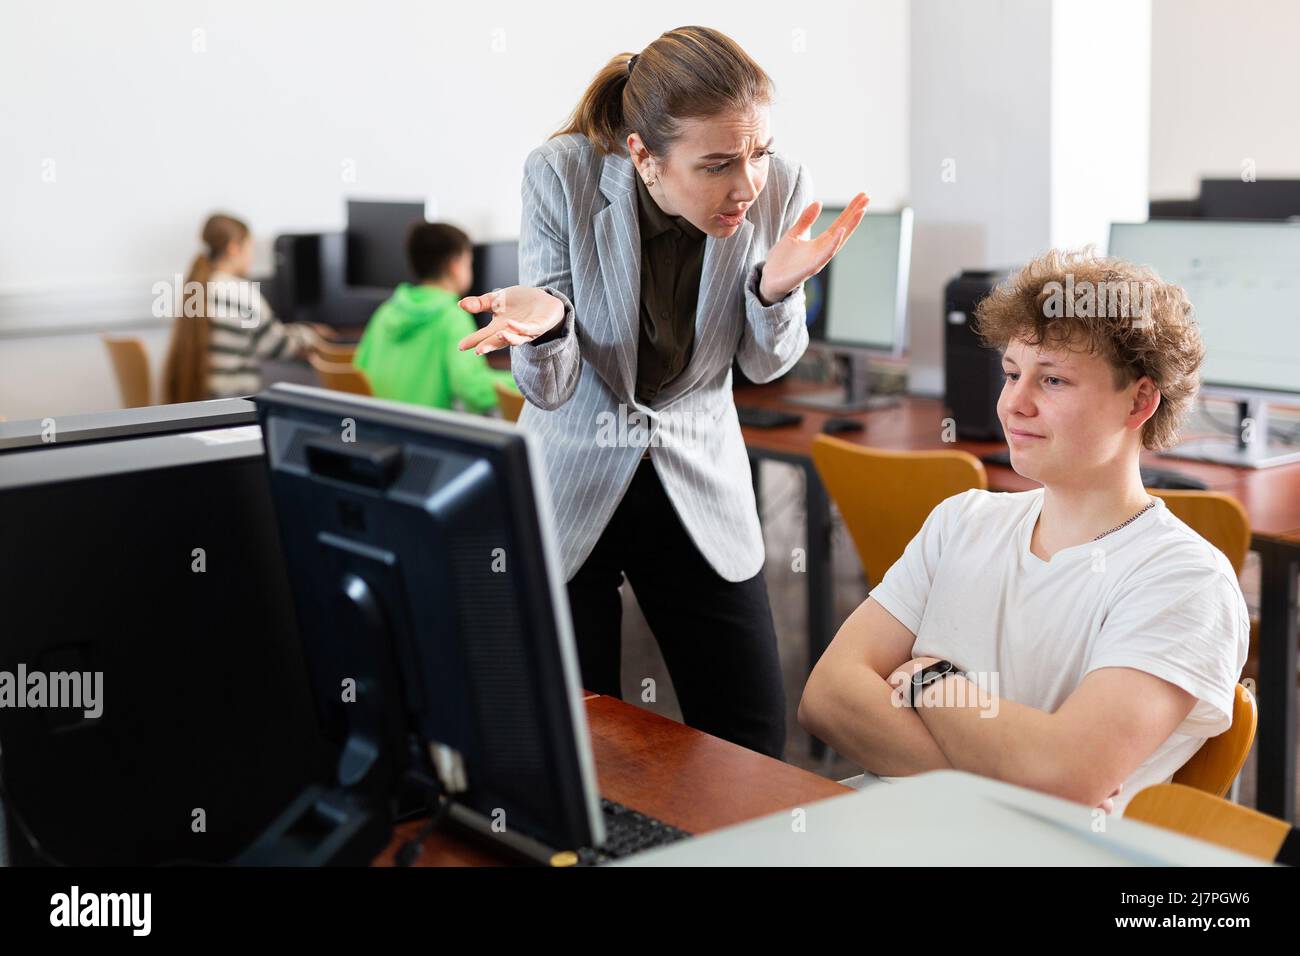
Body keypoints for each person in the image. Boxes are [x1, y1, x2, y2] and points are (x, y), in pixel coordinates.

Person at [458, 25, 868, 759]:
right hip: (573, 471)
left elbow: (768, 368)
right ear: (644, 158)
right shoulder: (563, 174)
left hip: (696, 475)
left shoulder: (782, 190)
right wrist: (552, 329)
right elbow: (547, 391)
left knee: (747, 732)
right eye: (716, 165)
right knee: (580, 736)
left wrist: (776, 293)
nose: (746, 185)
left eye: (758, 154)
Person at [798, 249, 1250, 815]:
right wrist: (1007, 784)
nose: (1015, 403)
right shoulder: (961, 520)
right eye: (1012, 373)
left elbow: (1063, 774)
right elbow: (827, 697)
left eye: (1054, 380)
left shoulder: (1185, 582)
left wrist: (931, 683)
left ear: (1139, 401)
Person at [353, 222, 515, 412]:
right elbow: (473, 389)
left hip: (383, 429)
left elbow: (359, 369)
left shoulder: (387, 310)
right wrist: (524, 382)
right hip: (426, 434)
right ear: (455, 266)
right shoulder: (452, 317)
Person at [162, 213, 325, 403]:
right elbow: (279, 345)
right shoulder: (240, 293)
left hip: (201, 402)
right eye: (250, 248)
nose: (251, 257)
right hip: (232, 407)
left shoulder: (196, 288)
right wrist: (313, 334)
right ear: (234, 249)